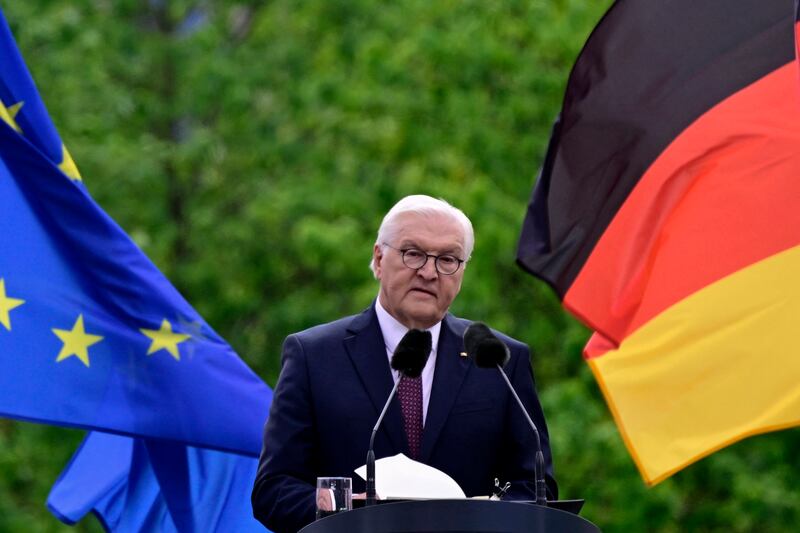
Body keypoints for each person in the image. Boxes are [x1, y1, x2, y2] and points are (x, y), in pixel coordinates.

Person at [252, 195, 557, 532]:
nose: (429, 272)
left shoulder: (498, 360)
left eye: (448, 259)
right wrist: (345, 516)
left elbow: (534, 486)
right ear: (379, 259)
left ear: (462, 272)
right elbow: (275, 488)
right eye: (413, 254)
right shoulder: (314, 355)